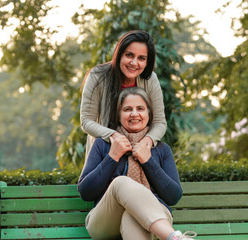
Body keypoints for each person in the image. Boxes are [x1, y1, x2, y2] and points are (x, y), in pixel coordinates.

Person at [78, 87, 197, 240]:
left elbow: (173, 196)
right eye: (127, 109)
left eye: (140, 108)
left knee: (132, 216)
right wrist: (112, 156)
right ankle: (173, 237)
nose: (134, 114)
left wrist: (148, 161)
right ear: (118, 115)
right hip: (105, 221)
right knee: (120, 182)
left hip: (155, 216)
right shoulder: (103, 144)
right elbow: (86, 192)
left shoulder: (161, 149)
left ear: (149, 113)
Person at [80, 30, 166, 157]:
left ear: (147, 62)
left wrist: (147, 141)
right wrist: (114, 136)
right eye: (129, 55)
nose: (134, 63)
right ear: (119, 54)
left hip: (140, 153)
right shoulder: (97, 76)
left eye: (141, 58)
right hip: (105, 153)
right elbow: (86, 121)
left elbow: (160, 122)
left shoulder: (150, 79)